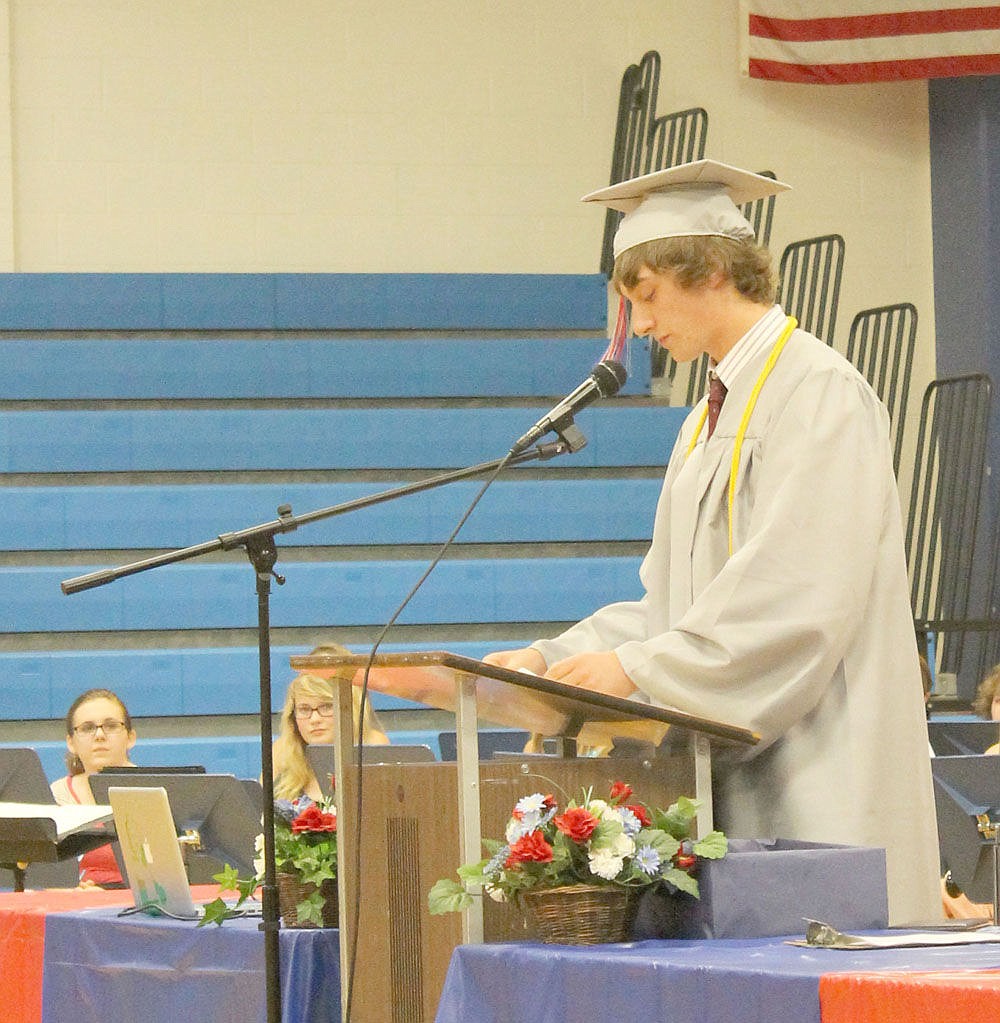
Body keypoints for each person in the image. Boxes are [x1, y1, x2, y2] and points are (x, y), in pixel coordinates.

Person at [485, 159, 940, 925]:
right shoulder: (704, 419)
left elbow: (798, 593)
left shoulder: (818, 390)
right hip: (734, 779)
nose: (639, 326)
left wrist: (634, 666)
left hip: (821, 770)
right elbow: (673, 605)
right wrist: (557, 656)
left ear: (713, 271)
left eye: (647, 296)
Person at [272, 643, 390, 802]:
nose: (314, 719)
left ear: (350, 708)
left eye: (326, 707)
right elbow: (262, 819)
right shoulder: (282, 752)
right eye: (304, 709)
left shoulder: (373, 744)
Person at [50, 687, 136, 887]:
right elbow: (48, 875)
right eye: (87, 728)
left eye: (111, 725)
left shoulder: (156, 790)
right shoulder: (56, 794)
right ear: (71, 743)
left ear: (130, 737)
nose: (99, 735)